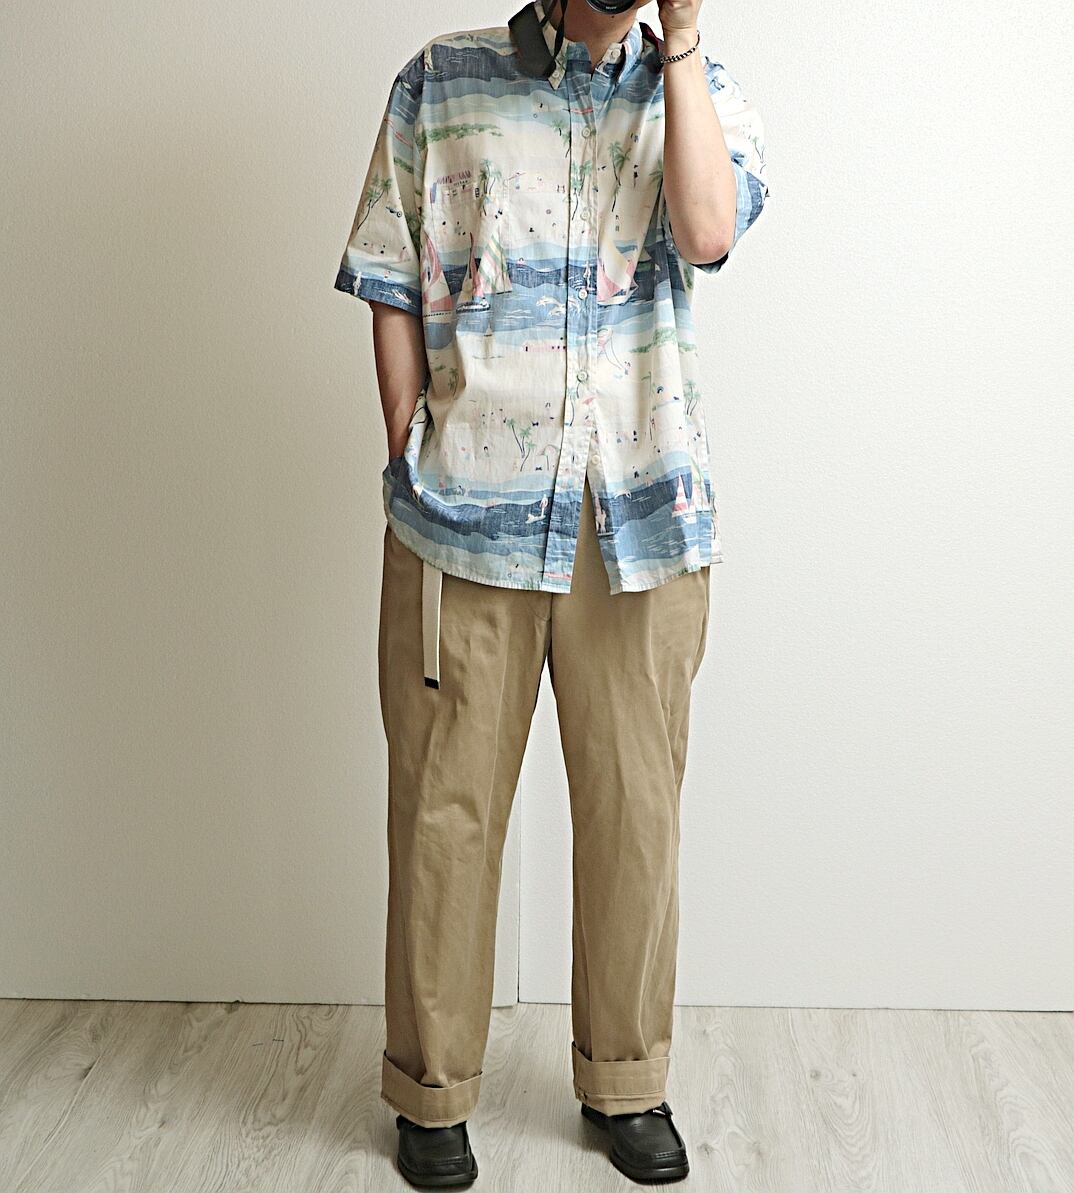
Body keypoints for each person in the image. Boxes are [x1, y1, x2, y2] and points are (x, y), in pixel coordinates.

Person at [332, 0, 769, 1184]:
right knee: (444, 811)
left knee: (637, 814)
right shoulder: (441, 81)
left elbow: (708, 231)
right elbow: (388, 271)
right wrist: (407, 440)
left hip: (639, 516)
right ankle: (432, 1089)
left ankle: (627, 1077)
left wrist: (680, 44)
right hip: (466, 510)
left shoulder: (703, 90)